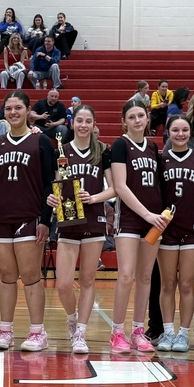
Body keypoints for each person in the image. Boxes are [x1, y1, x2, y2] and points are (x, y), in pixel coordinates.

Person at [0, 91, 55, 351]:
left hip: (30, 216)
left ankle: (38, 332)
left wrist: (45, 220)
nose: (13, 112)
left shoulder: (41, 141)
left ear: (28, 111)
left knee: (30, 276)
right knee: (6, 276)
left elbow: (50, 183)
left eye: (18, 108)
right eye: (9, 108)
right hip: (1, 217)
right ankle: (5, 330)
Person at [47, 105, 114, 354]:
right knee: (63, 283)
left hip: (94, 219)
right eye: (79, 121)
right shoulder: (61, 151)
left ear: (94, 124)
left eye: (88, 121)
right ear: (72, 123)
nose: (83, 125)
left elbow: (115, 188)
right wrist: (52, 199)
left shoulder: (102, 151)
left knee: (87, 280)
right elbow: (57, 184)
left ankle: (81, 333)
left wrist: (94, 198)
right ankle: (72, 319)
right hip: (69, 219)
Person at [109, 98, 167, 355]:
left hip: (153, 220)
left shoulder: (153, 147)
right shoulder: (120, 145)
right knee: (126, 275)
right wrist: (146, 214)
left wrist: (159, 215)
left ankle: (137, 331)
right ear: (124, 121)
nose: (137, 120)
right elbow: (120, 186)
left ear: (147, 118)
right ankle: (117, 332)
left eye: (140, 116)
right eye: (131, 117)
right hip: (131, 219)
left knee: (145, 277)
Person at [155, 116, 194, 354]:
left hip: (192, 227)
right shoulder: (160, 159)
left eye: (185, 130)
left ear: (190, 132)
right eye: (176, 130)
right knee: (167, 283)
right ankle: (168, 331)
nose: (181, 134)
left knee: (186, 283)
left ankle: (184, 333)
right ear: (168, 132)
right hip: (166, 228)